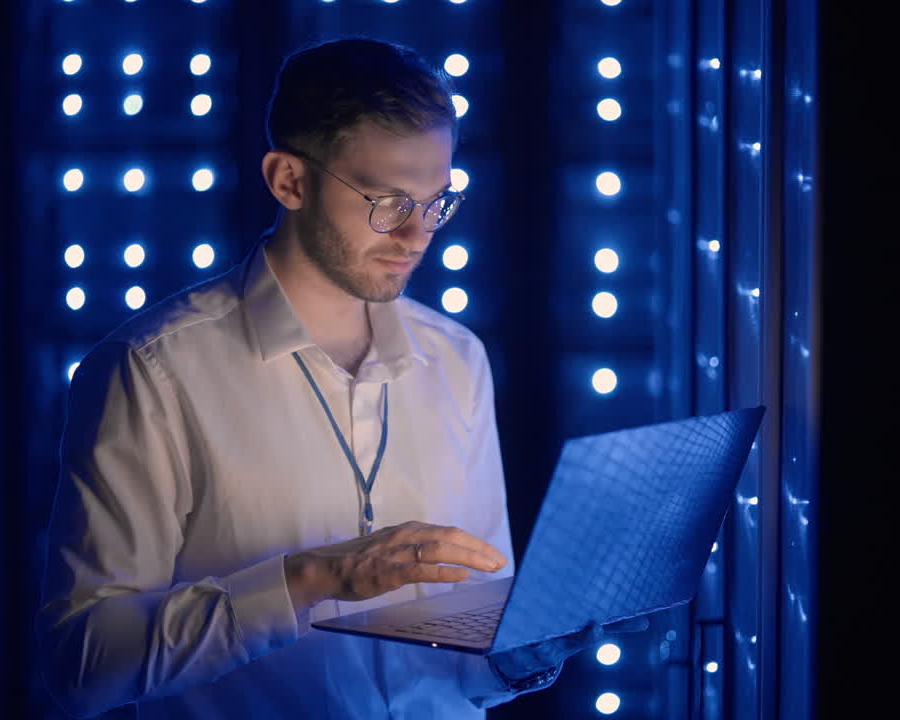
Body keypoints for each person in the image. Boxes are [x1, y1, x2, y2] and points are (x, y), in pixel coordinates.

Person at [34, 37, 634, 719]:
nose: (418, 237)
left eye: (437, 202)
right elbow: (78, 667)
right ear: (289, 180)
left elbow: (467, 645)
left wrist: (521, 652)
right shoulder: (153, 371)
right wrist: (311, 580)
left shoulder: (458, 358)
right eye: (388, 202)